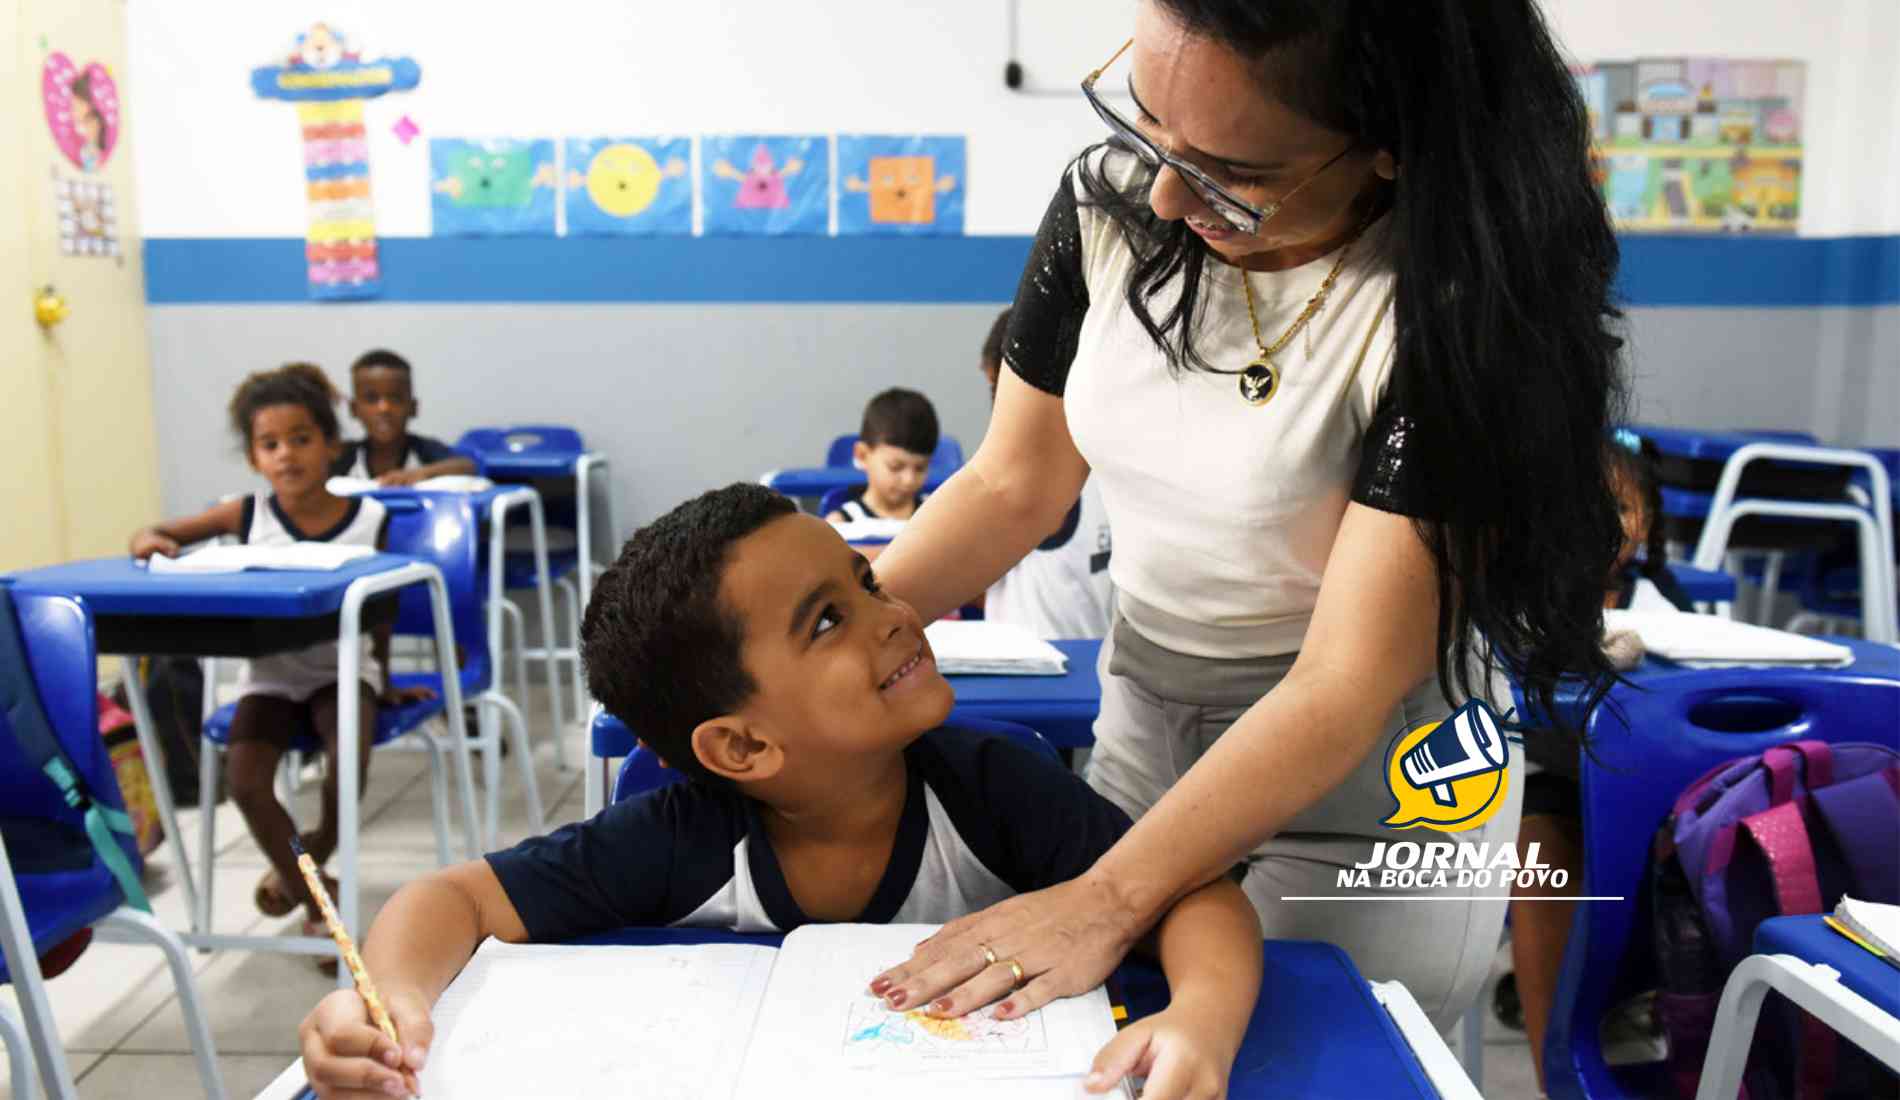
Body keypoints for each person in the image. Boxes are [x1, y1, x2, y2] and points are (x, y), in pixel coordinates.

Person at [867, 0, 1628, 1032]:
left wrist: (1102, 896)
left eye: (1240, 173)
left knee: (1297, 1051)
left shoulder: (1454, 310)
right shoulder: (1113, 199)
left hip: (1369, 788)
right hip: (1145, 721)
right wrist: (832, 634)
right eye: (1146, 124)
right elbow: (1013, 484)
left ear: (1391, 147)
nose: (1170, 191)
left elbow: (1346, 678)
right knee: (1108, 1045)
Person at [297, 484, 1262, 1100]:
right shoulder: (682, 838)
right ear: (744, 746)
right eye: (829, 620)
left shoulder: (993, 784)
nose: (892, 617)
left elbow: (1197, 897)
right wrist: (385, 1008)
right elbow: (449, 898)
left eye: (867, 582)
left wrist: (1203, 1020)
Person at [127, 364, 433, 965]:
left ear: (332, 447)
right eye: (270, 445)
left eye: (301, 439)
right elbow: (155, 530)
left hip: (344, 671)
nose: (286, 455)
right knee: (244, 782)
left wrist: (387, 680)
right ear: (253, 458)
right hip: (270, 675)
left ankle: (304, 871)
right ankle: (322, 901)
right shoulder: (245, 514)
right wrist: (148, 541)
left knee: (346, 771)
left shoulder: (370, 519)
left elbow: (383, 610)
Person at [1506, 433, 1693, 1093]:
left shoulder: (1665, 599)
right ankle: (1557, 1062)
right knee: (1545, 836)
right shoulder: (1524, 602)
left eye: (1623, 507)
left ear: (1649, 518)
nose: (1608, 525)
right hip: (1555, 778)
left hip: (1657, 782)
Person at [978, 309, 1115, 640]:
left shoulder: (1019, 479)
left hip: (1042, 677)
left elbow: (944, 569)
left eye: (995, 388)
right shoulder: (1115, 460)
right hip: (1099, 667)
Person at [331, 349, 478, 487]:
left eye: (395, 398)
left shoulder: (424, 450)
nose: (384, 408)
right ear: (354, 409)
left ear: (413, 407)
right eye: (371, 399)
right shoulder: (345, 456)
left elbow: (467, 466)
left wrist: (423, 473)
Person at [826, 388, 938, 523]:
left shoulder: (934, 518)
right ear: (862, 455)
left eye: (920, 468)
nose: (909, 480)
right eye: (895, 467)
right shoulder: (840, 523)